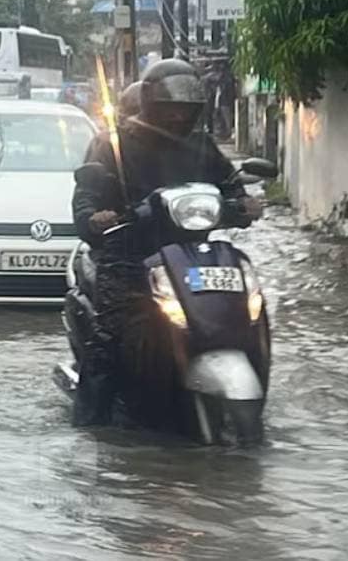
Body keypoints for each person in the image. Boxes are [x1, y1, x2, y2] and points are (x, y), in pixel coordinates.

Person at [70, 59, 263, 426]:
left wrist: (244, 203)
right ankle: (89, 427)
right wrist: (96, 216)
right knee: (109, 340)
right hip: (129, 256)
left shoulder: (202, 146)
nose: (177, 117)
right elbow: (86, 197)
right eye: (169, 108)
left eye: (185, 109)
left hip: (195, 259)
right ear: (150, 103)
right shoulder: (114, 143)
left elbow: (230, 186)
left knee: (247, 315)